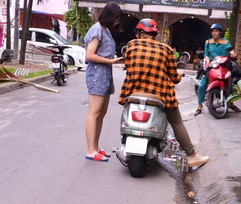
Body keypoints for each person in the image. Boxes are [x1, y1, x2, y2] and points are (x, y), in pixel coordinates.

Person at [119, 19, 210, 169]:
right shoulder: (166, 49)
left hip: (134, 93)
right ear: (154, 34)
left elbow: (128, 67)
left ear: (140, 33)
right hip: (159, 96)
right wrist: (179, 73)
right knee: (177, 122)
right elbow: (174, 78)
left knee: (126, 110)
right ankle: (192, 156)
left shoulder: (131, 45)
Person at [83, 2, 123, 162]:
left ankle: (96, 147)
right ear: (110, 15)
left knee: (101, 112)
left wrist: (112, 62)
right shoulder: (97, 29)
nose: (117, 22)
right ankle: (90, 150)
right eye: (116, 18)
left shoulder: (106, 30)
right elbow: (89, 55)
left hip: (105, 74)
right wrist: (111, 62)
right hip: (97, 74)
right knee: (94, 112)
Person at [194, 23, 237, 116]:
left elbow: (231, 51)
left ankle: (230, 103)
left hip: (224, 66)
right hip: (212, 66)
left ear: (220, 32)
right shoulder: (208, 42)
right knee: (202, 85)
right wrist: (208, 62)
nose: (214, 33)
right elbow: (206, 54)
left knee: (231, 86)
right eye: (213, 31)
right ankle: (199, 105)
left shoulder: (225, 42)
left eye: (216, 31)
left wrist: (233, 54)